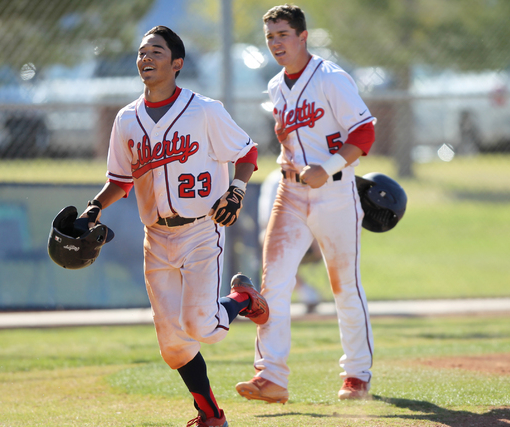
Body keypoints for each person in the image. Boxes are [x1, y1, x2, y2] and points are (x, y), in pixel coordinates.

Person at [78, 26, 268, 427]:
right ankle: (210, 414)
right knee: (172, 346)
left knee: (204, 326)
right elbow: (121, 179)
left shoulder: (204, 110)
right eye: (142, 52)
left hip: (201, 229)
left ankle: (243, 299)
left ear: (176, 63)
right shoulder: (127, 118)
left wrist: (235, 190)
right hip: (156, 236)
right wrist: (94, 208)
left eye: (156, 52)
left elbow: (246, 150)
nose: (146, 58)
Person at [235, 4, 377, 403]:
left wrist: (328, 165)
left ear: (303, 36)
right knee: (273, 283)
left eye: (283, 35)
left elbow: (364, 132)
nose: (276, 43)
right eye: (270, 37)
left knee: (344, 285)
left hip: (334, 190)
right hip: (290, 191)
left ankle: (356, 375)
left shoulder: (330, 78)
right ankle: (271, 377)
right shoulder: (276, 85)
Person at [258, 169, 321, 314]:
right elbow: (268, 222)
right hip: (283, 236)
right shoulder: (275, 180)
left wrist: (315, 241)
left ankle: (339, 293)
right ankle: (304, 294)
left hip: (310, 237)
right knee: (267, 243)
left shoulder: (311, 175)